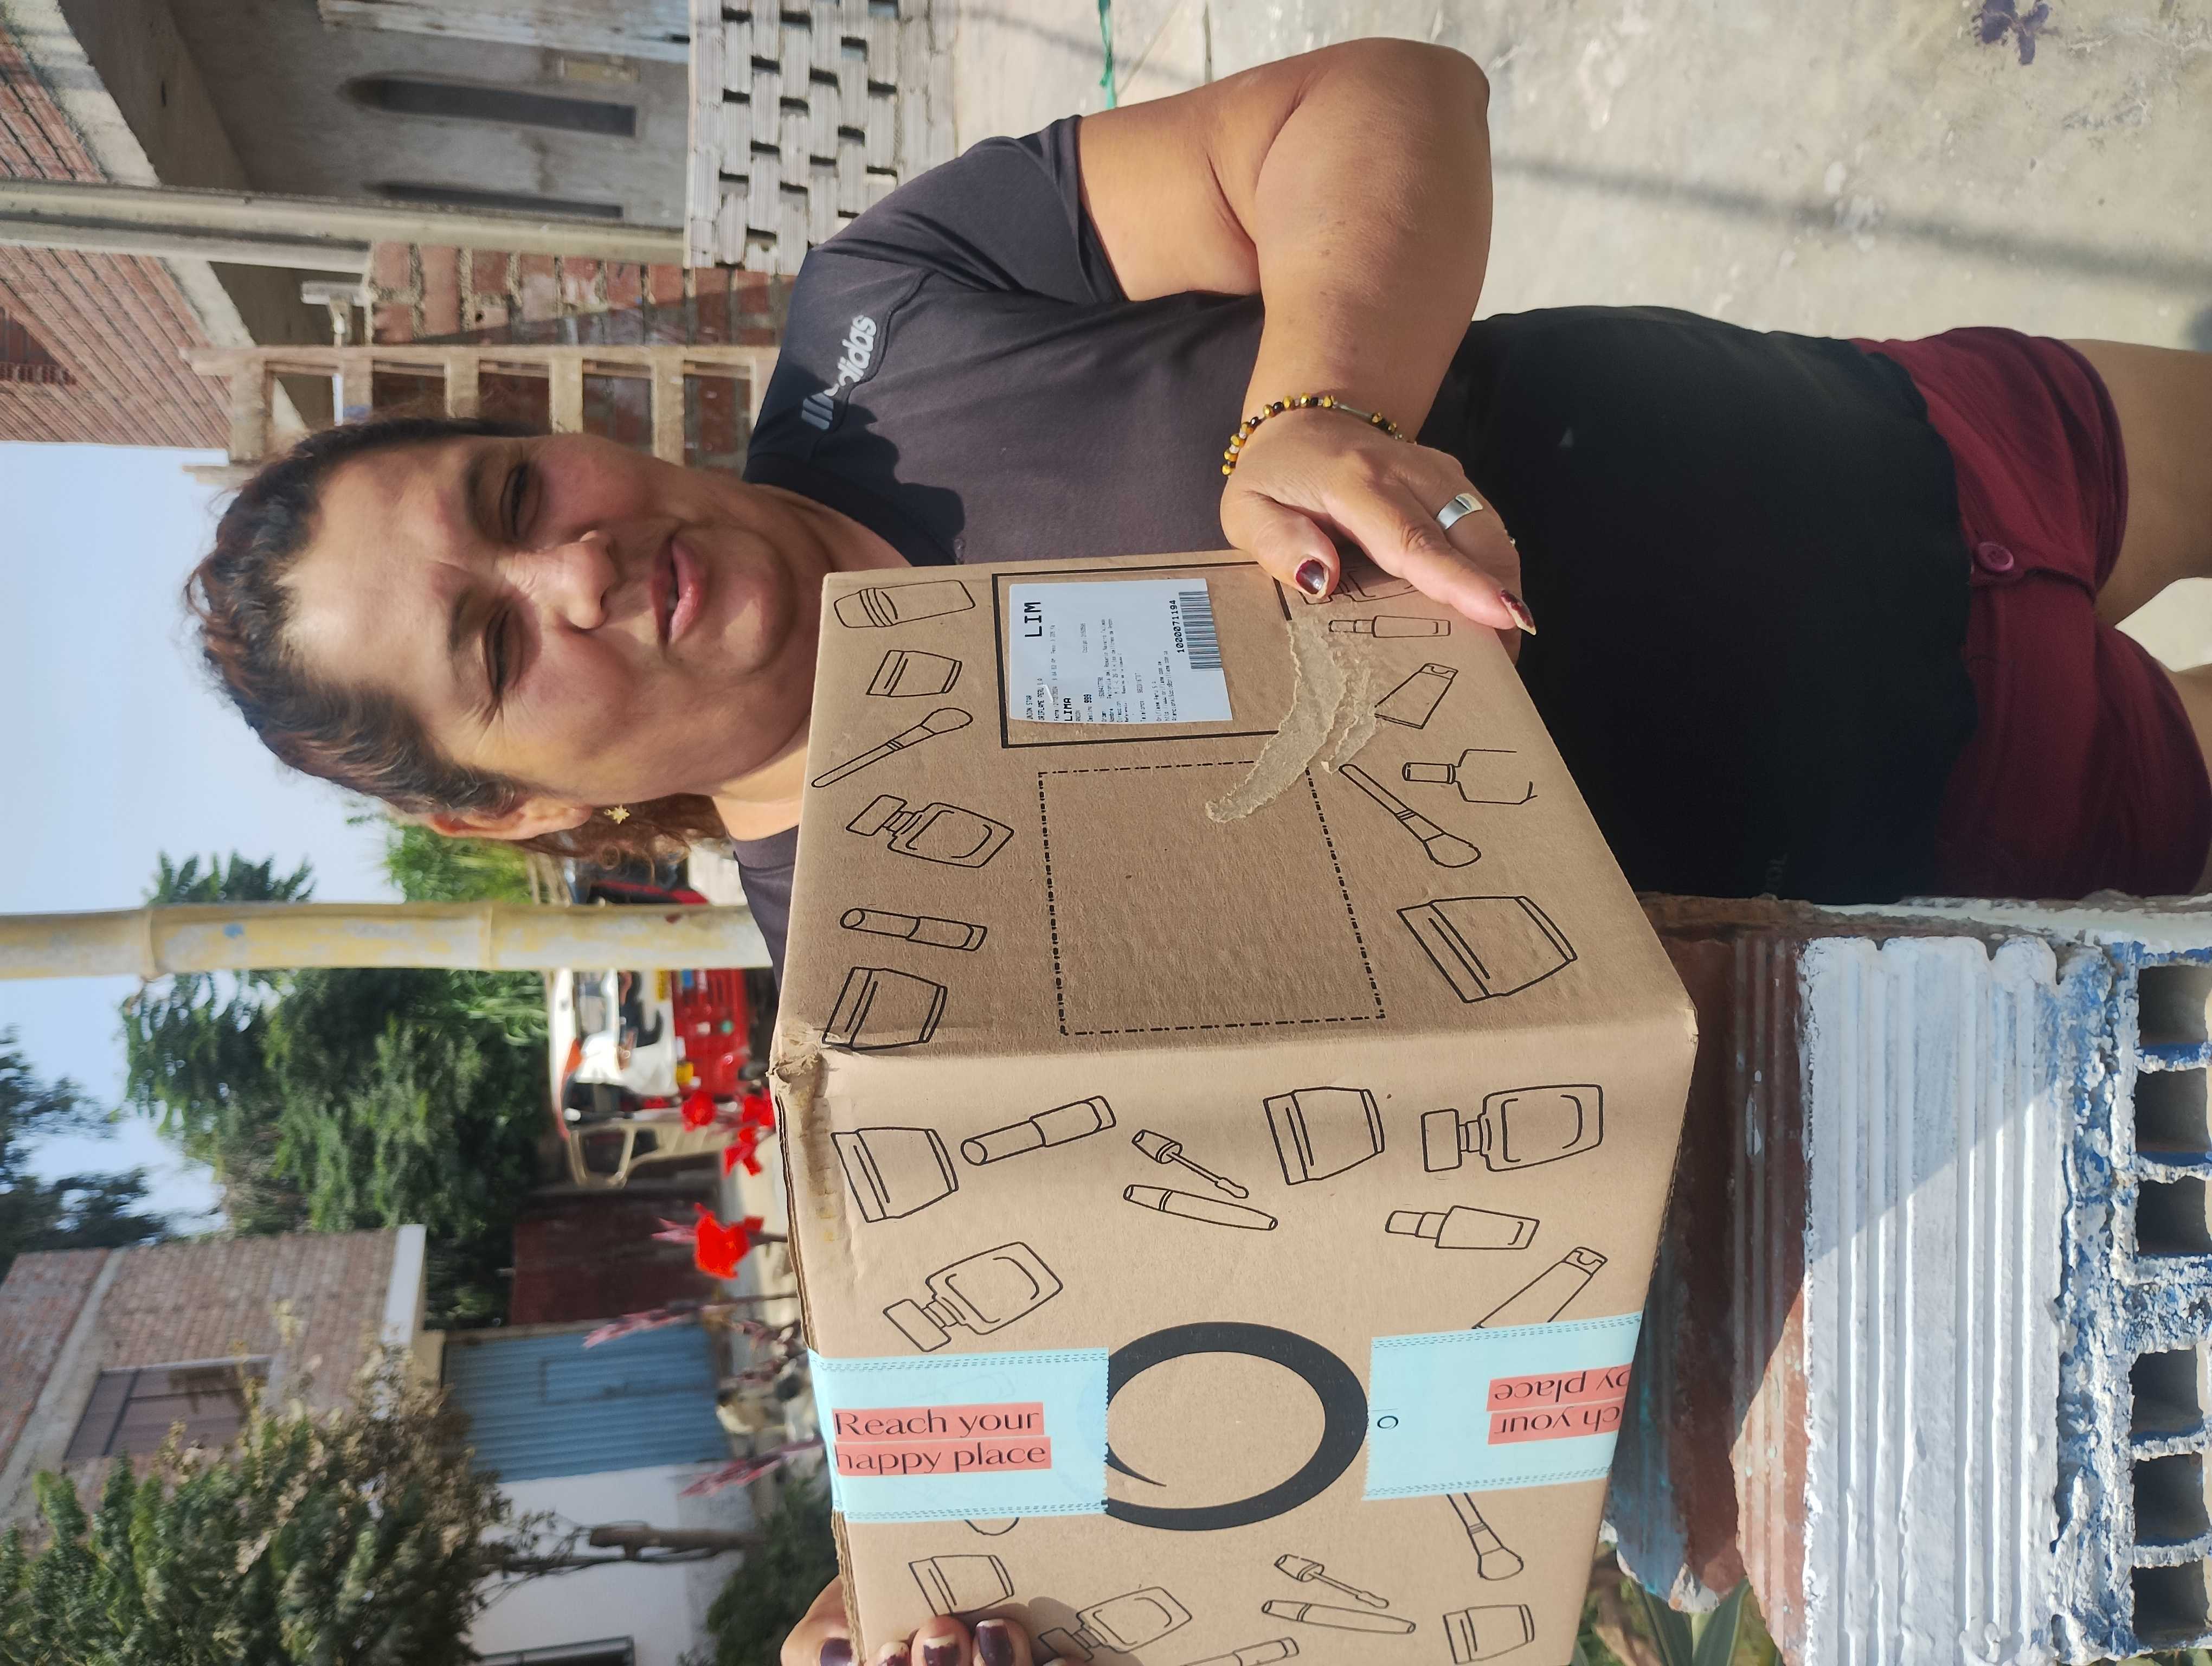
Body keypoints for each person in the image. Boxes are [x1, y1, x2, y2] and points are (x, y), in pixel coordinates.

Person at [183, 41, 2211, 1666]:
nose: (577, 565)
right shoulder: (892, 1025)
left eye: (511, 492)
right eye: (496, 645)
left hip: (1910, 445)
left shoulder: (887, 316)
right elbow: (1255, 1373)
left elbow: (1382, 102)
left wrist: (1311, 406)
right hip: (1949, 828)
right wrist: (942, 1597)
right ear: (512, 810)